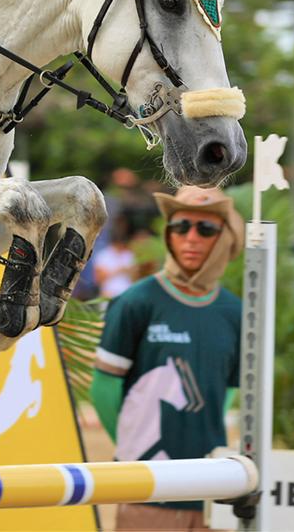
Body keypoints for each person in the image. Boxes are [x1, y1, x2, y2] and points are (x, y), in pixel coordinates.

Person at [90, 186, 245, 531]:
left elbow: (229, 390)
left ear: (224, 238)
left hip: (210, 492)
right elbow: (103, 389)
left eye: (205, 229)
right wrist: (136, 451)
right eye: (180, 227)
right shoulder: (135, 302)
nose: (190, 237)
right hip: (147, 491)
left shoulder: (236, 313)